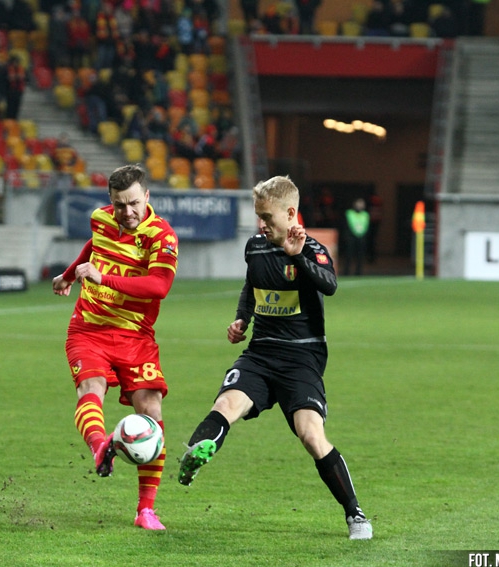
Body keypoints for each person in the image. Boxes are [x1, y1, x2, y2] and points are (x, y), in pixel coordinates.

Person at [177, 175, 372, 541]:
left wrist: (297, 257)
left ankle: (355, 514)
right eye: (258, 216)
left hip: (301, 358)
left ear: (290, 214)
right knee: (226, 403)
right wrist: (242, 319)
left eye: (267, 217)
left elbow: (329, 284)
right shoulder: (255, 247)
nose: (261, 224)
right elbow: (251, 285)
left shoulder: (311, 249)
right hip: (261, 353)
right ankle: (195, 455)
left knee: (310, 435)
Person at [52, 164, 178, 531]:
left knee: (151, 411)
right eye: (120, 204)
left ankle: (146, 511)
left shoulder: (162, 236)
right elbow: (95, 246)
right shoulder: (100, 219)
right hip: (89, 328)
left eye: (134, 203)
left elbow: (159, 286)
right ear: (110, 201)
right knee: (91, 387)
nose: (128, 212)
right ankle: (100, 448)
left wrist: (102, 277)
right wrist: (69, 274)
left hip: (136, 337)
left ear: (147, 197)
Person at [344, 197, 369, 276]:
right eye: (358, 203)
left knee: (360, 255)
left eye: (362, 204)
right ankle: (346, 271)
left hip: (361, 237)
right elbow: (345, 225)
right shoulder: (349, 213)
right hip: (351, 237)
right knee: (349, 255)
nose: (360, 205)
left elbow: (367, 226)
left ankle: (359, 271)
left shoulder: (365, 214)